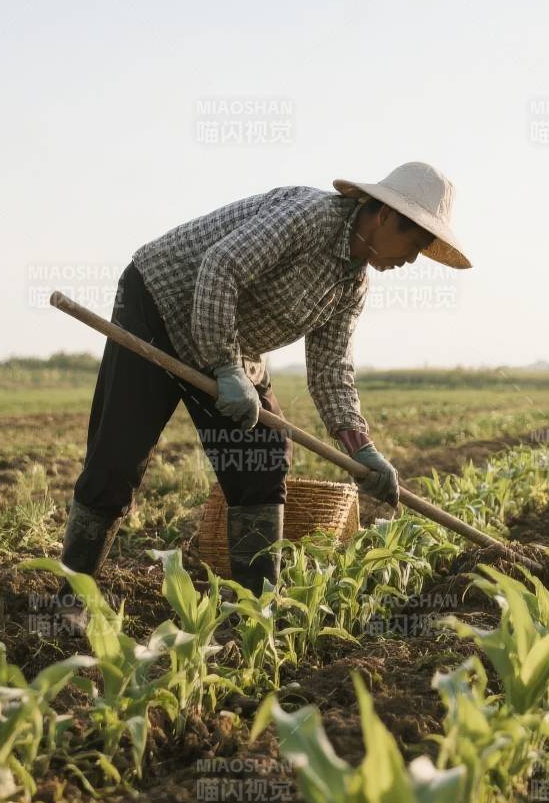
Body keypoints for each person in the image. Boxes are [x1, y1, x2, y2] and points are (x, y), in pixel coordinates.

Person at [59, 161, 472, 597]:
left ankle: (257, 614)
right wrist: (223, 364)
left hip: (229, 339)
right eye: (414, 242)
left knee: (264, 454)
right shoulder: (309, 216)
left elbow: (332, 370)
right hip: (159, 304)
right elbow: (221, 267)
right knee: (117, 457)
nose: (410, 259)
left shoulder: (353, 284)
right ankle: (69, 598)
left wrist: (360, 446)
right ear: (385, 214)